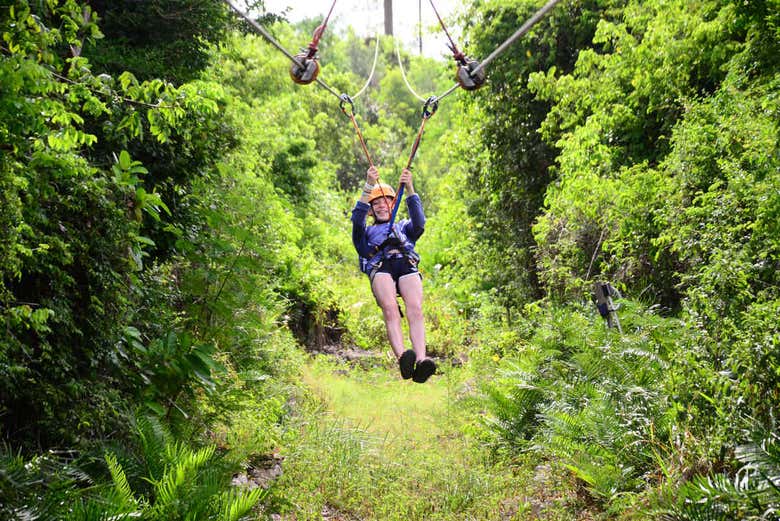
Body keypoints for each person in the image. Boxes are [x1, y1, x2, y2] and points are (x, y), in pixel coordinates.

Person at [351, 165, 436, 383]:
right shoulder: (366, 232)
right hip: (381, 267)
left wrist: (410, 188)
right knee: (390, 308)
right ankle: (403, 358)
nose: (381, 206)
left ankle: (422, 359)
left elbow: (420, 223)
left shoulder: (404, 228)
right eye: (376, 203)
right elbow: (357, 221)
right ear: (371, 210)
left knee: (415, 309)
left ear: (393, 204)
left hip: (405, 263)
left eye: (386, 202)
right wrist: (369, 185)